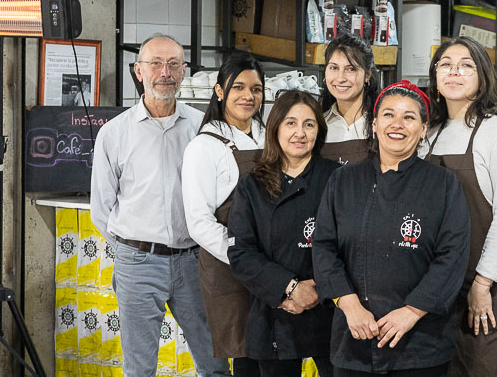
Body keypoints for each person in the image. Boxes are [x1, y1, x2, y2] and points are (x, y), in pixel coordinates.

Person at [90, 33, 231, 377]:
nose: (164, 72)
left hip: (194, 262)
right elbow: (102, 207)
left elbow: (222, 197)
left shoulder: (204, 128)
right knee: (140, 368)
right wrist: (131, 250)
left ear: (184, 72)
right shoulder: (114, 132)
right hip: (137, 263)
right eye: (155, 63)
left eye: (173, 64)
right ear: (139, 71)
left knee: (214, 363)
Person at [313, 81, 471, 377]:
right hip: (354, 337)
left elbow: (452, 257)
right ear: (374, 124)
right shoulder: (343, 181)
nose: (397, 124)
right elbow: (323, 247)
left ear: (423, 128)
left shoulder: (443, 184)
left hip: (420, 345)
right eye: (388, 115)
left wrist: (411, 312)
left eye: (409, 117)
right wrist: (349, 305)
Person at [424, 37, 497, 377]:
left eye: (466, 65)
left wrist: (482, 284)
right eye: (446, 64)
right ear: (435, 77)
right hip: (439, 284)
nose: (454, 71)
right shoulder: (428, 133)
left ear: (482, 78)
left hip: (487, 284)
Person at [227, 91, 339, 377]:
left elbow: (354, 245)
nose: (299, 133)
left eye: (309, 124)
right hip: (276, 308)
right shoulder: (252, 185)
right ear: (275, 128)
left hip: (332, 308)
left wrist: (319, 288)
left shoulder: (338, 178)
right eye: (290, 123)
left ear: (319, 131)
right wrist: (290, 288)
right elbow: (241, 251)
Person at [182, 52, 266, 376]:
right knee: (246, 355)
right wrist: (246, 256)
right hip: (233, 269)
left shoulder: (266, 135)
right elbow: (199, 223)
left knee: (271, 355)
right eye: (239, 87)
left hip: (270, 266)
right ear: (220, 92)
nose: (248, 96)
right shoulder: (204, 147)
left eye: (256, 89)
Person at [319, 35, 380, 164]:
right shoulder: (318, 124)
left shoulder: (382, 124)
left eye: (351, 69)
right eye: (334, 68)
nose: (340, 78)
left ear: (367, 75)